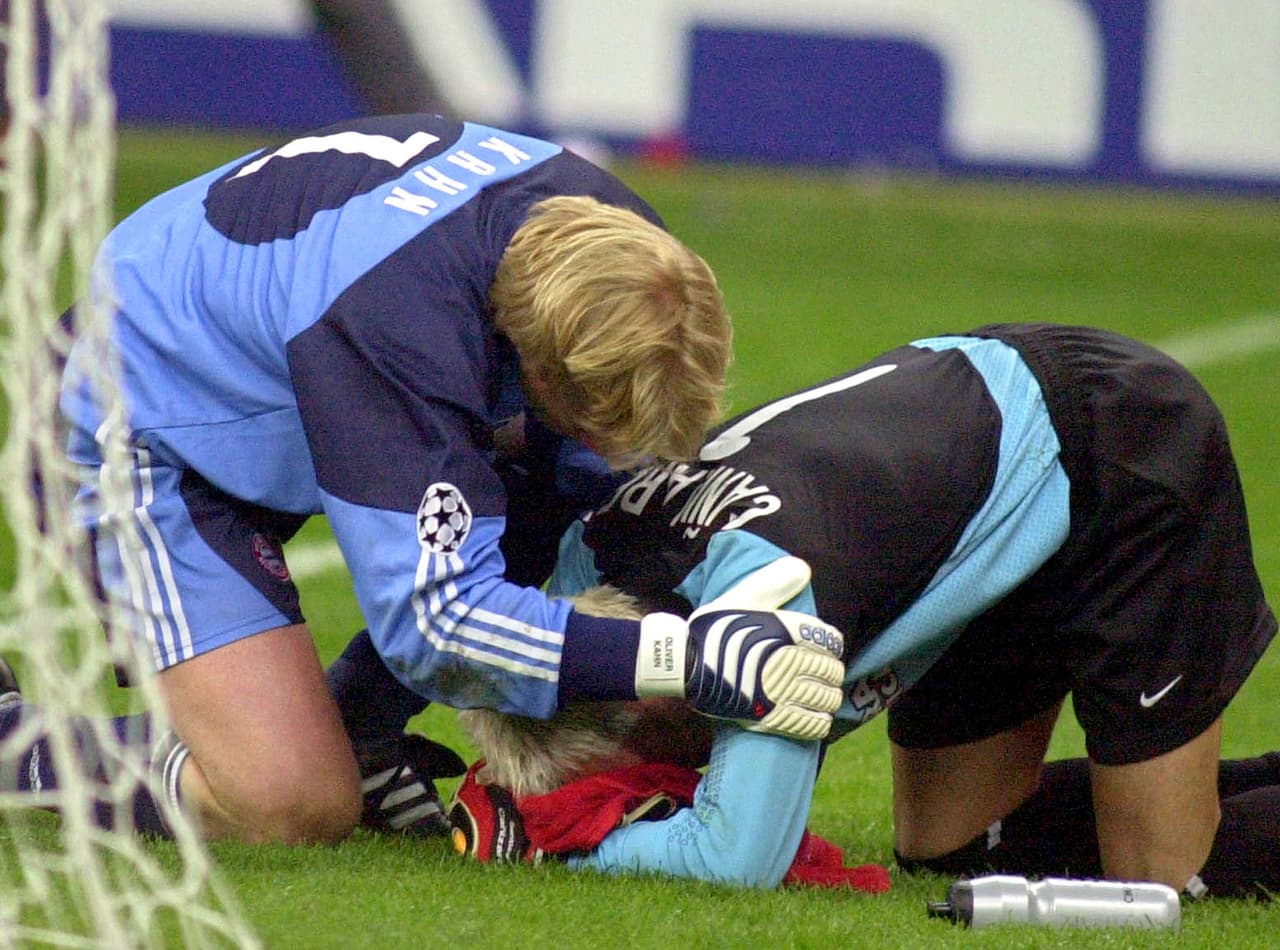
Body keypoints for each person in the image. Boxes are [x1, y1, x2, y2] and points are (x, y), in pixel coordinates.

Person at [1, 112, 846, 845]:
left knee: (572, 490)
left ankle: (360, 734)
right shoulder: (397, 330)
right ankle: (14, 740)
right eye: (583, 405)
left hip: (261, 360)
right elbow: (435, 622)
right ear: (538, 369)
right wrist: (683, 655)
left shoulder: (620, 244)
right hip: (132, 430)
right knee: (290, 798)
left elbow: (568, 494)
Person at [454, 322, 1279, 897]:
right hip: (976, 464)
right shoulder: (580, 563)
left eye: (649, 781)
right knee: (952, 852)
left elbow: (737, 857)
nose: (673, 787)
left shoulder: (763, 601)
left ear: (647, 704)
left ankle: (1172, 806)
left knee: (1164, 879)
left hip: (1112, 441)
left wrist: (560, 852)